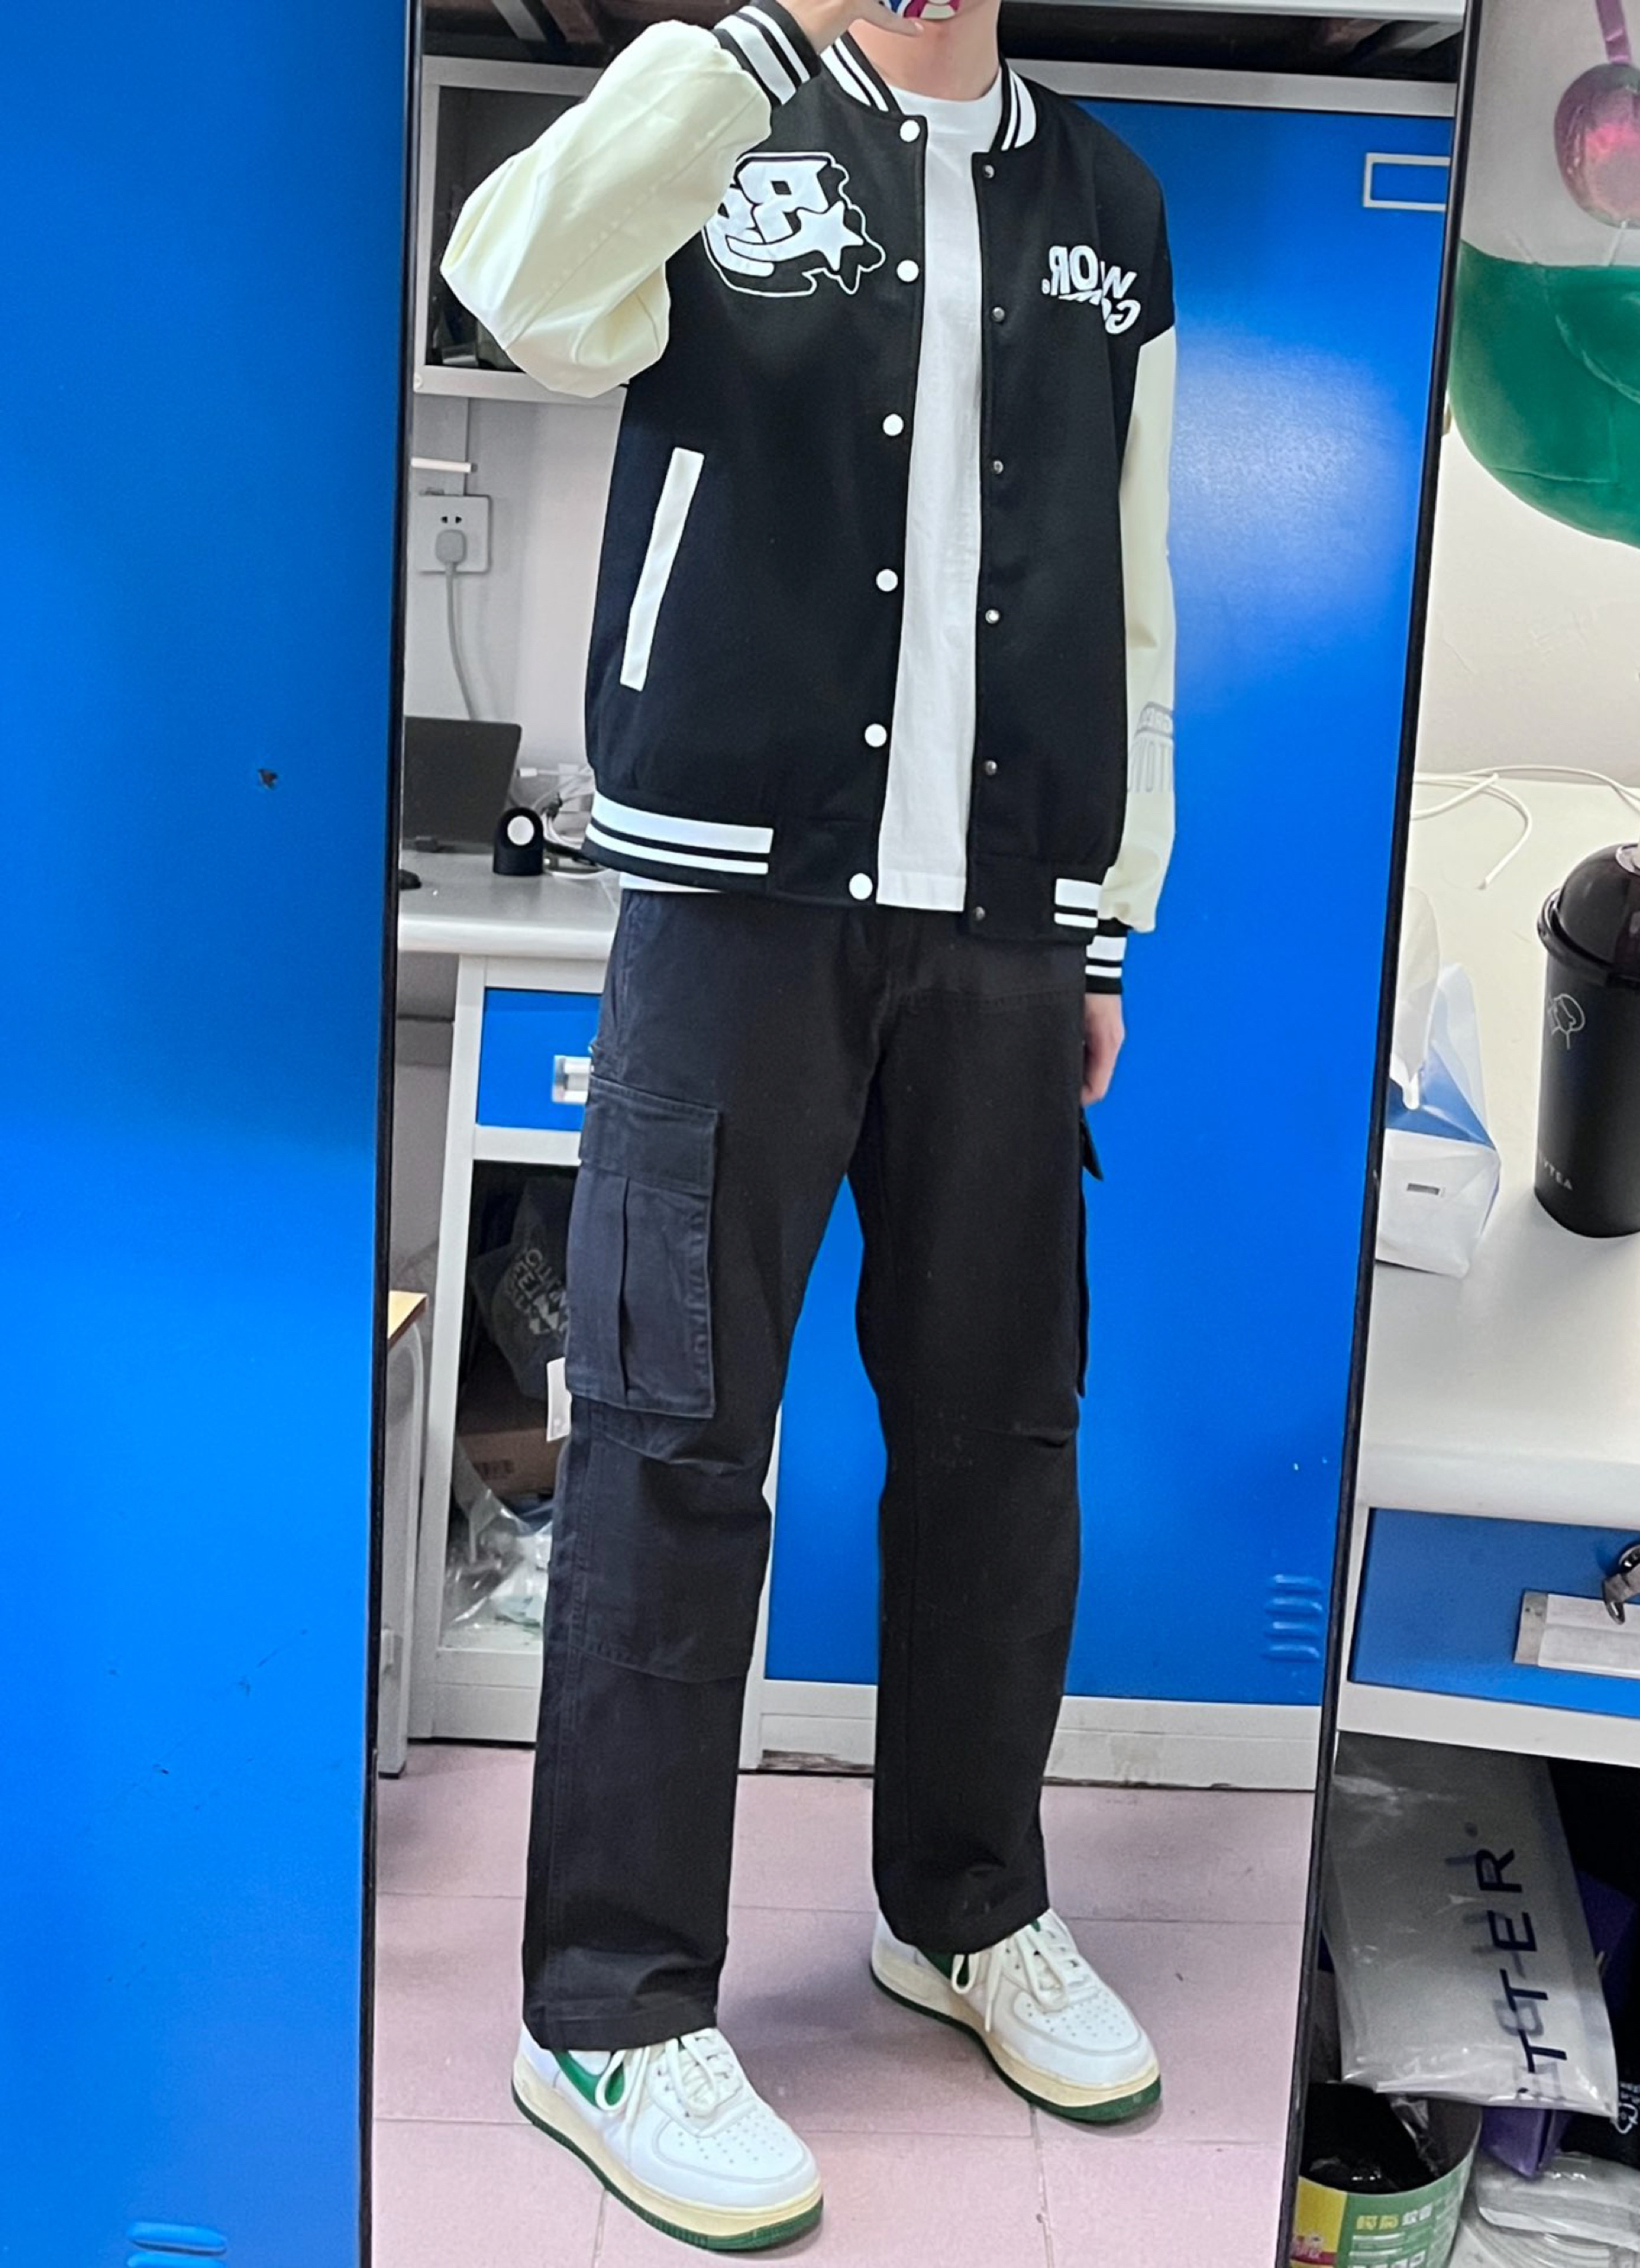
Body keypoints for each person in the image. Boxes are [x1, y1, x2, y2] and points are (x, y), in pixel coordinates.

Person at [443, 0, 1177, 2239]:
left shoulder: (1112, 208)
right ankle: (607, 2010)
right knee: (670, 1445)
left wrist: (1110, 924)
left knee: (1000, 1440)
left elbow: (1135, 585)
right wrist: (728, 52)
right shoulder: (731, 106)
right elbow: (517, 285)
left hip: (1010, 920)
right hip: (728, 905)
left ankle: (965, 1905)